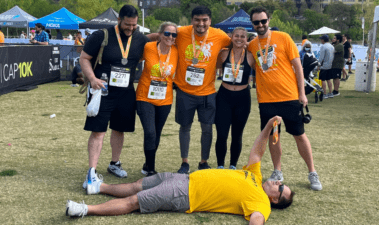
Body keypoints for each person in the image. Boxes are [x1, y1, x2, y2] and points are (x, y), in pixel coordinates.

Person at [66, 116, 295, 225]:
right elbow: (257, 153)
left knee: (135, 200)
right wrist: (268, 127)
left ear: (275, 200)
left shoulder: (262, 204)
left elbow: (257, 220)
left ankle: (85, 210)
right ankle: (98, 187)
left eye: (281, 188)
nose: (278, 182)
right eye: (281, 183)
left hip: (185, 195)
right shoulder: (255, 176)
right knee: (137, 184)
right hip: (185, 178)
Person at [148, 6, 231, 173]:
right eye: (197, 20)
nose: (201, 24)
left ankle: (203, 162)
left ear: (210, 21)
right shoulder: (180, 32)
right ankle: (184, 163)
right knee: (184, 127)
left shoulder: (220, 35)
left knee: (207, 128)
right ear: (192, 20)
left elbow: (235, 43)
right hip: (185, 92)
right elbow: (157, 36)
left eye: (204, 20)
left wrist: (222, 59)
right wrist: (136, 38)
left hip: (208, 92)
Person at [247, 7, 322, 191]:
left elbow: (298, 66)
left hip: (289, 97)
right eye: (256, 22)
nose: (261, 25)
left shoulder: (284, 38)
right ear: (253, 24)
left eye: (263, 21)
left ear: (269, 20)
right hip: (266, 100)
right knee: (274, 136)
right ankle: (277, 170)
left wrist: (302, 93)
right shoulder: (252, 45)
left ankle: (312, 172)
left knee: (299, 134)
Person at [79, 5, 150, 188]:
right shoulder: (101, 36)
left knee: (120, 129)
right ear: (119, 20)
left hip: (126, 92)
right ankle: (92, 172)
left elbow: (140, 56)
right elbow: (84, 58)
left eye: (134, 25)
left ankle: (114, 163)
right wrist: (92, 78)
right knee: (98, 131)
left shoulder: (140, 38)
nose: (131, 28)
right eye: (127, 24)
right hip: (102, 90)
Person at [136, 22, 178, 176]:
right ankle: (151, 171)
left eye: (174, 35)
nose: (170, 37)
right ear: (160, 34)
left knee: (157, 133)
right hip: (144, 97)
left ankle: (148, 164)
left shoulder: (176, 52)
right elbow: (135, 54)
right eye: (167, 33)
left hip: (165, 99)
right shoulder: (149, 47)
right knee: (150, 133)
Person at [215, 27, 255, 170]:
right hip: (224, 96)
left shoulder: (250, 56)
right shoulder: (224, 53)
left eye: (242, 36)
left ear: (247, 39)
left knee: (237, 134)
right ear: (231, 37)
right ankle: (220, 165)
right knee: (221, 134)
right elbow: (214, 68)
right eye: (236, 36)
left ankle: (232, 165)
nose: (239, 39)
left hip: (242, 98)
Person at [318, 35, 334, 99]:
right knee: (328, 80)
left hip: (324, 65)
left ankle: (324, 93)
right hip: (330, 65)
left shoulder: (323, 46)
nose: (321, 40)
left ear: (323, 40)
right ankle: (330, 93)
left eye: (321, 39)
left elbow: (321, 57)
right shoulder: (332, 46)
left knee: (323, 80)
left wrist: (318, 65)